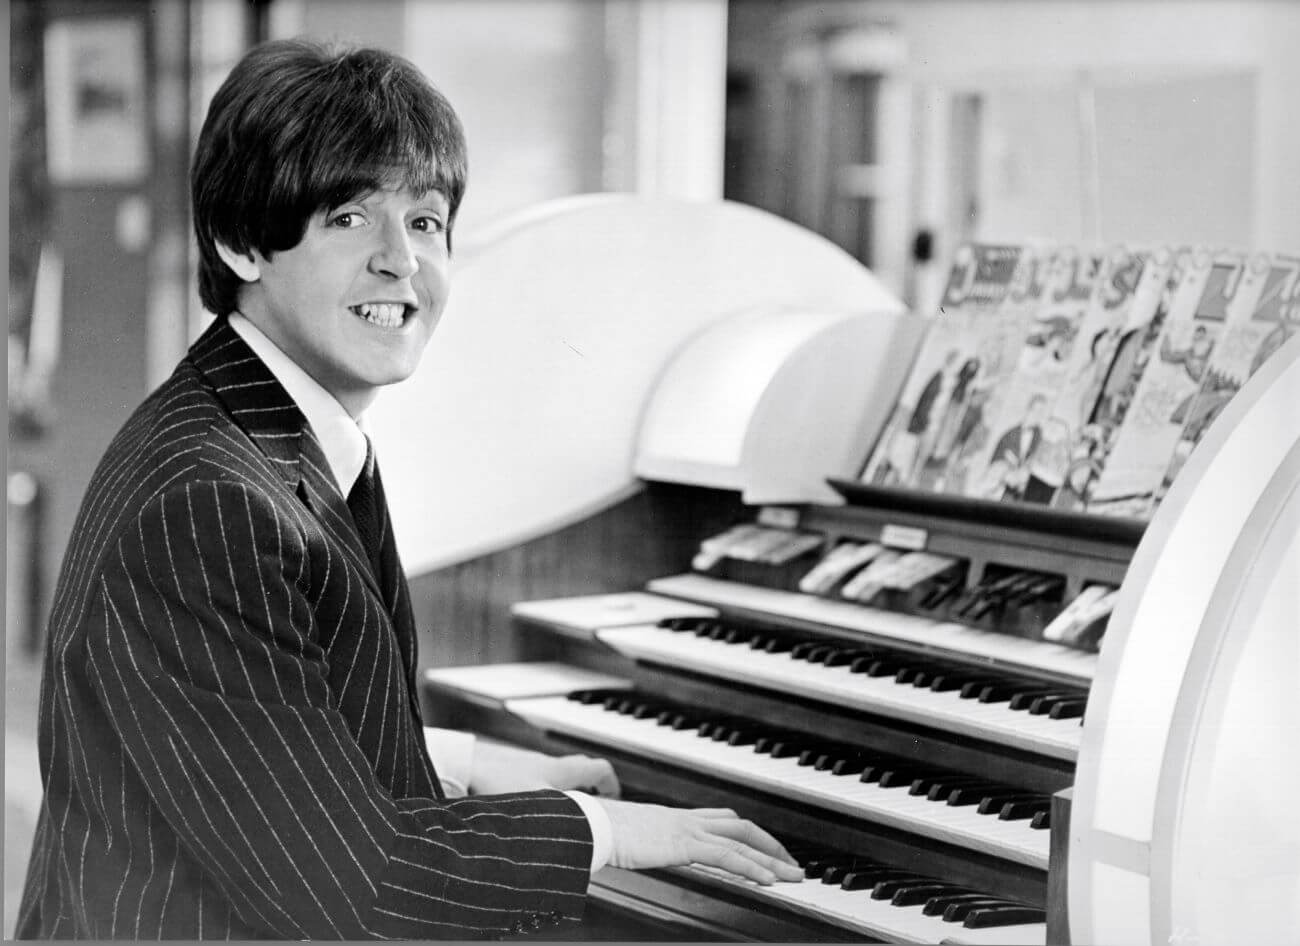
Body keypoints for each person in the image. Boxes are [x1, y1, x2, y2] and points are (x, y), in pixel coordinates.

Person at [15, 39, 800, 940]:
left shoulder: (263, 431)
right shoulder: (211, 500)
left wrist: (471, 762)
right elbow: (357, 891)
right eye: (350, 217)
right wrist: (613, 831)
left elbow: (248, 730)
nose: (402, 262)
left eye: (424, 223)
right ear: (240, 243)